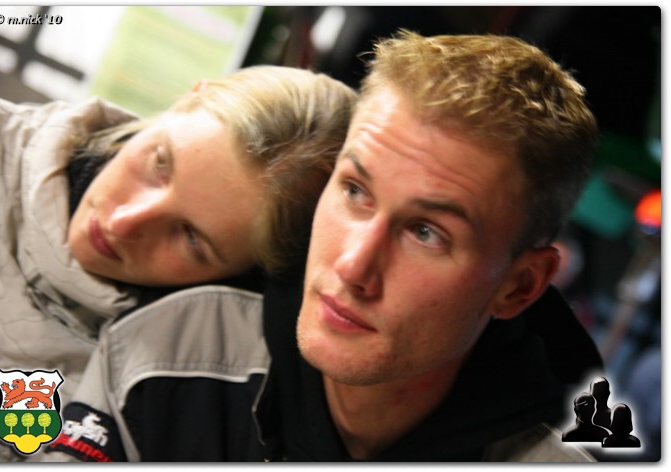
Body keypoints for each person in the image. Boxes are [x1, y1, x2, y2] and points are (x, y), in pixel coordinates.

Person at [39, 31, 603, 462]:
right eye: (355, 191)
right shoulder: (169, 351)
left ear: (520, 285)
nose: (354, 266)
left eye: (426, 232)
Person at [0, 65, 356, 462]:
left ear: (245, 275)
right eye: (159, 164)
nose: (123, 223)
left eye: (191, 239)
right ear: (187, 97)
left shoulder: (183, 389)